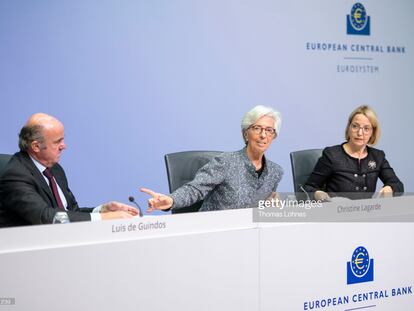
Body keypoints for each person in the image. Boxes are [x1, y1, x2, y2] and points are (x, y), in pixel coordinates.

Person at [0, 113, 139, 227]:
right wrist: (104, 218)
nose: (64, 146)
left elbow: (70, 212)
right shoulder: (15, 175)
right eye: (57, 142)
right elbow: (46, 217)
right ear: (36, 146)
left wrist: (102, 210)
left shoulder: (55, 169)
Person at [141, 105, 284, 212]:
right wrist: (171, 200)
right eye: (257, 128)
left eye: (269, 130)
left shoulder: (275, 172)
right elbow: (195, 189)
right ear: (246, 134)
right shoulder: (225, 162)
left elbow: (261, 207)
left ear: (274, 136)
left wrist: (272, 207)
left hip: (249, 237)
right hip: (214, 234)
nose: (263, 135)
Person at [304, 105, 404, 201]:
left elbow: (398, 185)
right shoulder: (331, 155)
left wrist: (390, 188)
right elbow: (307, 188)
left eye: (366, 128)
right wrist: (317, 194)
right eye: (355, 126)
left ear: (372, 132)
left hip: (367, 214)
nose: (360, 133)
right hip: (337, 214)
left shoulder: (378, 156)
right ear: (349, 128)